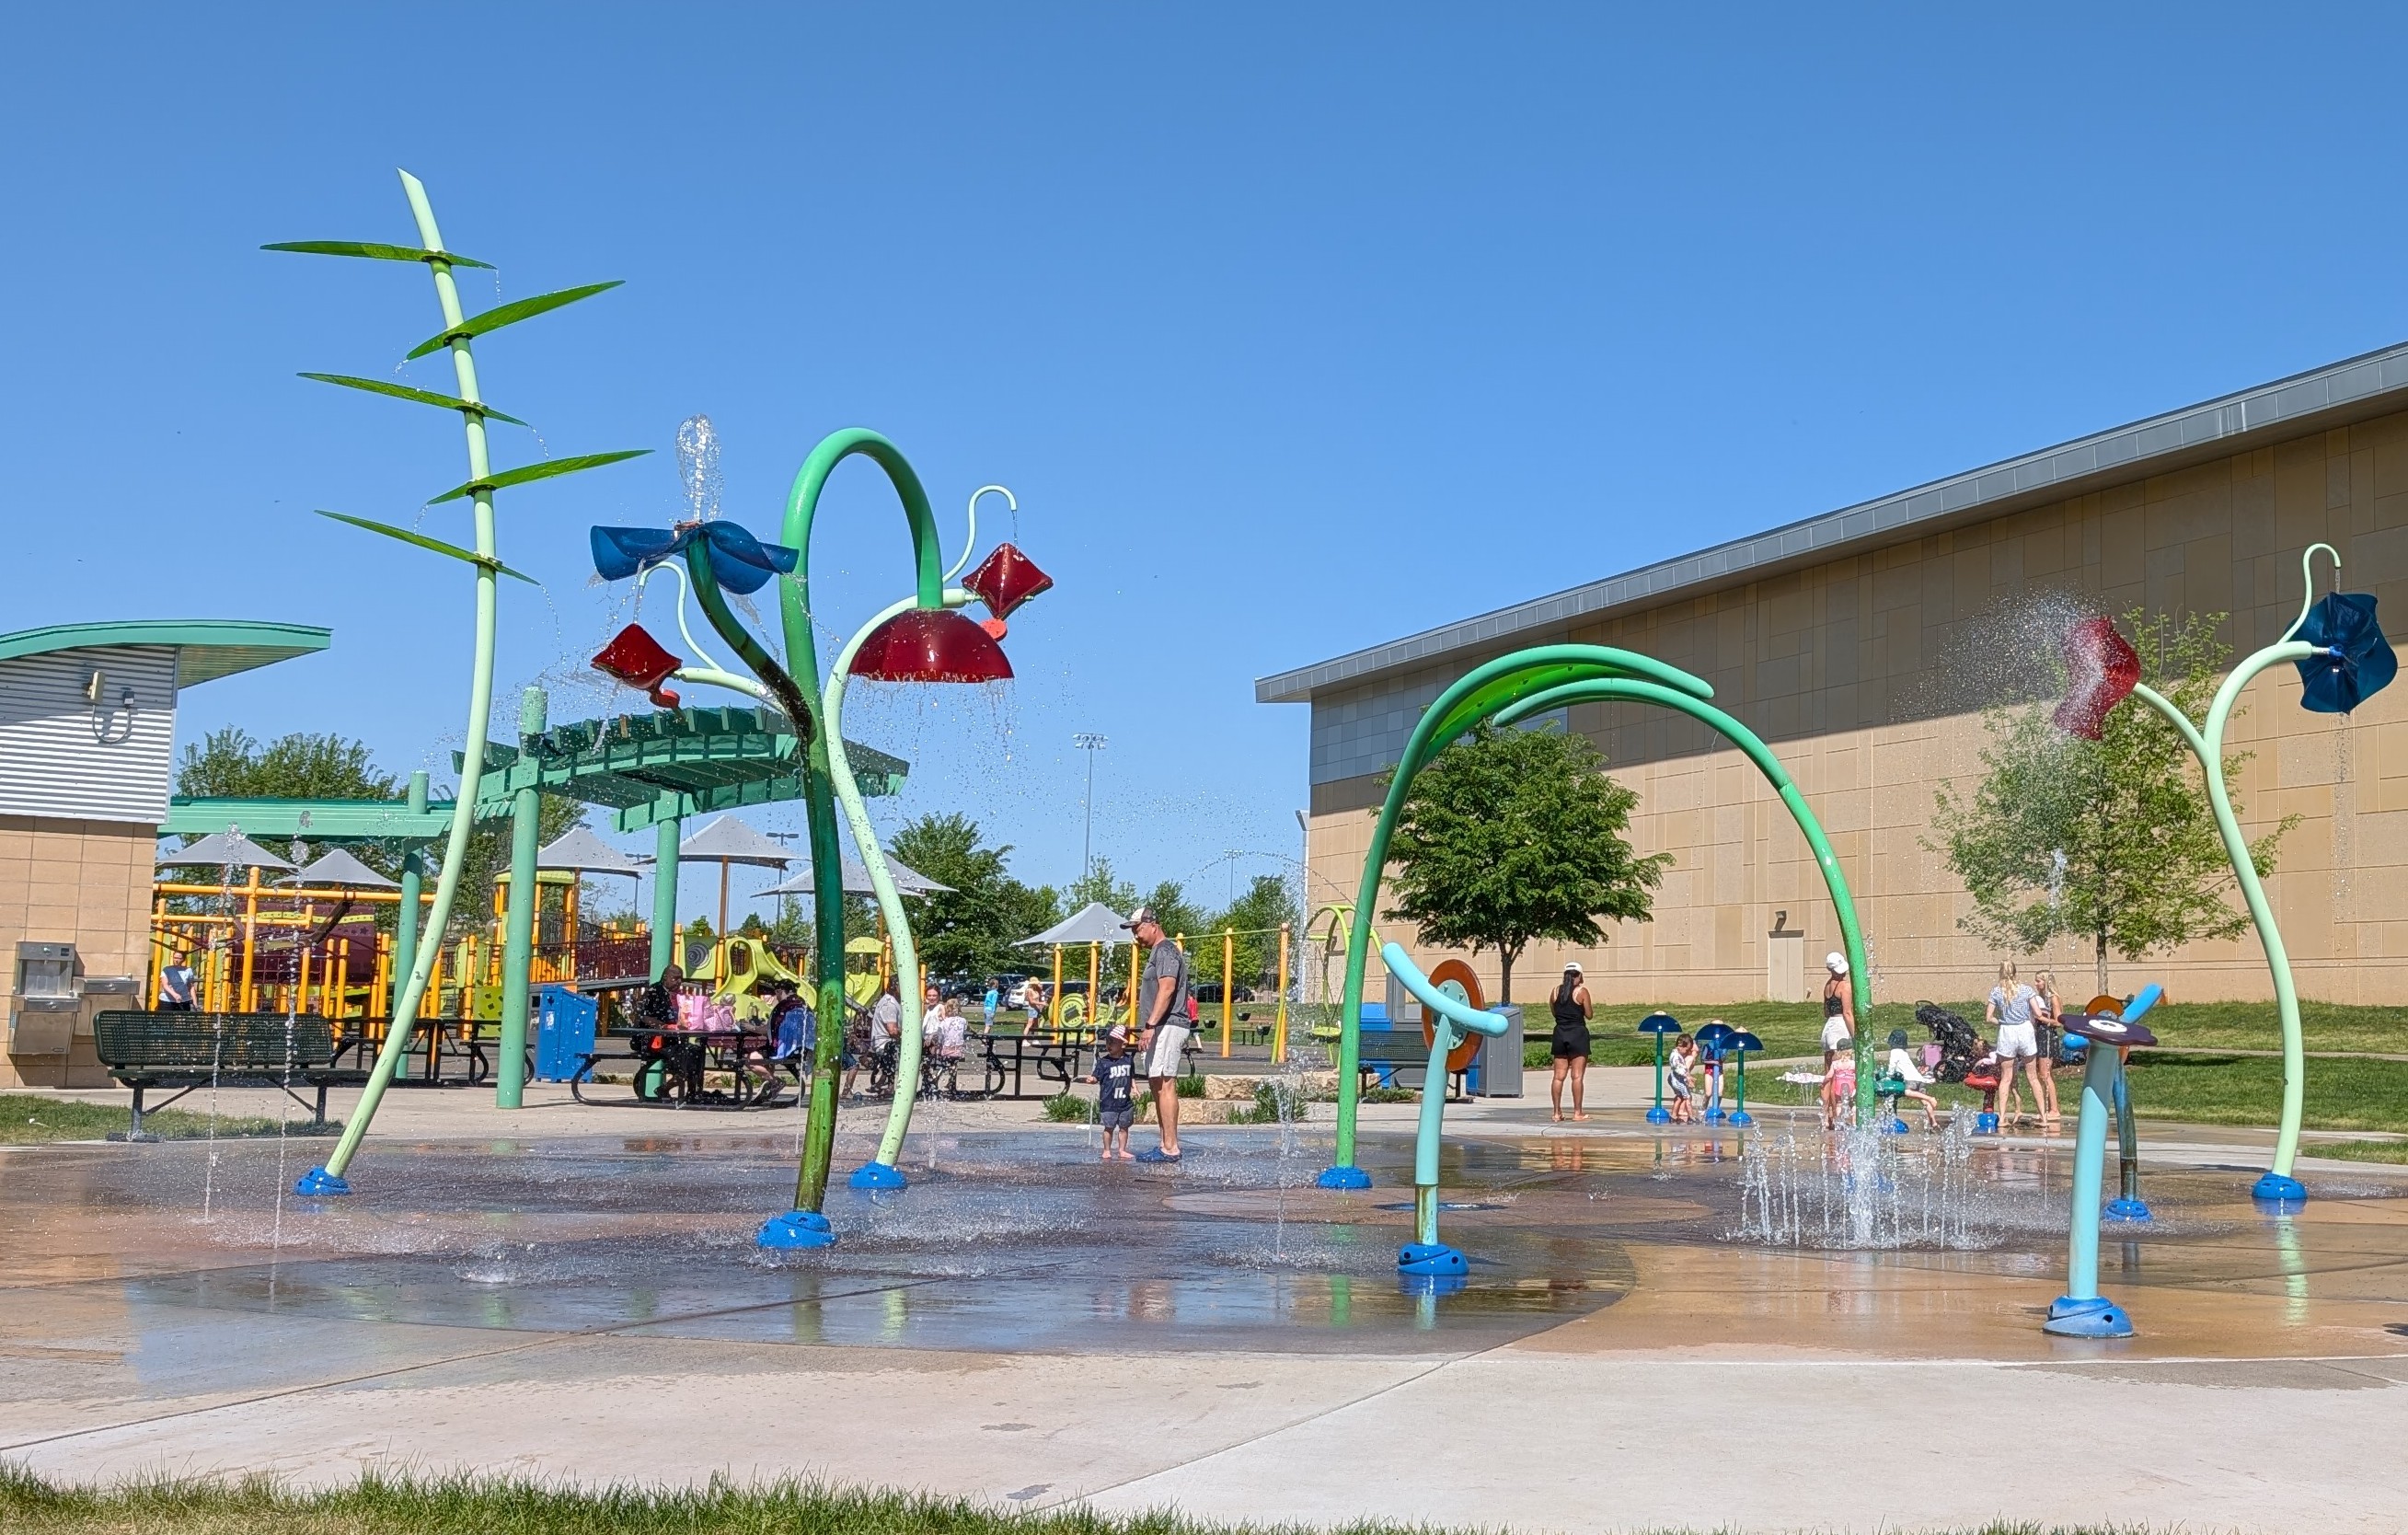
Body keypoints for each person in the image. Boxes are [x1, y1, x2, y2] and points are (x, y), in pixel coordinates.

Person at [1124, 906, 1192, 1162]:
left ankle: (1171, 1147)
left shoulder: (1165, 950)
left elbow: (1167, 989)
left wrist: (1150, 1026)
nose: (1136, 936)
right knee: (1156, 1083)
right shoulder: (1157, 951)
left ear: (1153, 924)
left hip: (1168, 1024)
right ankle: (1164, 1143)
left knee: (1165, 1083)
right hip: (1160, 1026)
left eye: (1137, 929)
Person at [1985, 962, 2040, 1128]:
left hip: (2007, 1032)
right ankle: (2044, 1117)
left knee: (2006, 1078)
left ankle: (2002, 1118)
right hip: (2024, 1030)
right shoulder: (2026, 989)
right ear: (2016, 972)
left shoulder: (1996, 991)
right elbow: (2037, 1013)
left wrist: (2002, 1021)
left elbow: (1989, 1017)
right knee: (2033, 1077)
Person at [1079, 1023, 1138, 1160]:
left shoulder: (1128, 1060)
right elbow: (1096, 1076)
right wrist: (1092, 1079)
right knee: (1109, 1127)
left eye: (1112, 1041)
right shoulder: (1104, 1062)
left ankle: (1122, 1150)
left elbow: (1131, 1076)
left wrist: (1135, 1088)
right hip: (1108, 1101)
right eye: (1107, 1041)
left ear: (1123, 1044)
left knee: (1124, 1127)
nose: (1109, 1045)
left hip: (1125, 1102)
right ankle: (1107, 1150)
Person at [1548, 962, 1594, 1123]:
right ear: (1579, 975)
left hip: (1560, 1032)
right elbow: (1589, 1014)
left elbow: (1554, 1012)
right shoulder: (1582, 992)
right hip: (1577, 1033)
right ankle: (1577, 1113)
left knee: (1558, 1076)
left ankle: (1556, 1112)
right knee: (1577, 1076)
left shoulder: (1555, 992)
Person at [1883, 1027, 1941, 1130]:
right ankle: (1934, 1123)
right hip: (1919, 1079)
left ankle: (1930, 1098)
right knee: (1924, 1101)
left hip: (1910, 1079)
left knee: (1907, 1092)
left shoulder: (1894, 1051)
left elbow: (1892, 1065)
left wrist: (1889, 1075)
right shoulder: (1904, 1052)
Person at [2030, 969, 2064, 1132]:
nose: (2036, 984)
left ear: (2046, 982)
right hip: (2040, 1036)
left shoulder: (2053, 998)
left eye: (2038, 981)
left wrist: (2042, 1019)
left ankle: (2054, 1110)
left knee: (2045, 1074)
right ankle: (2046, 1109)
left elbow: (2059, 1022)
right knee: (2040, 1074)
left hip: (2049, 1037)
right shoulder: (2041, 999)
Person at [635, 964, 685, 1030]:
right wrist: (664, 1026)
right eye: (675, 978)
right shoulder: (653, 991)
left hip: (672, 1036)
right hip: (650, 1036)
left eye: (681, 979)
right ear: (665, 977)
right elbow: (644, 1016)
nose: (679, 981)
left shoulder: (680, 995)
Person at [1667, 1032, 1699, 1124]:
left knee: (1679, 1097)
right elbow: (1677, 1068)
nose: (1688, 1052)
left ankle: (1673, 1116)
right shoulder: (1675, 1056)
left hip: (1677, 1080)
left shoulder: (1678, 1054)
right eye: (1687, 1050)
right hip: (1678, 1081)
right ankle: (1691, 1117)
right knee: (1687, 1097)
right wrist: (1687, 1076)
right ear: (1680, 1047)